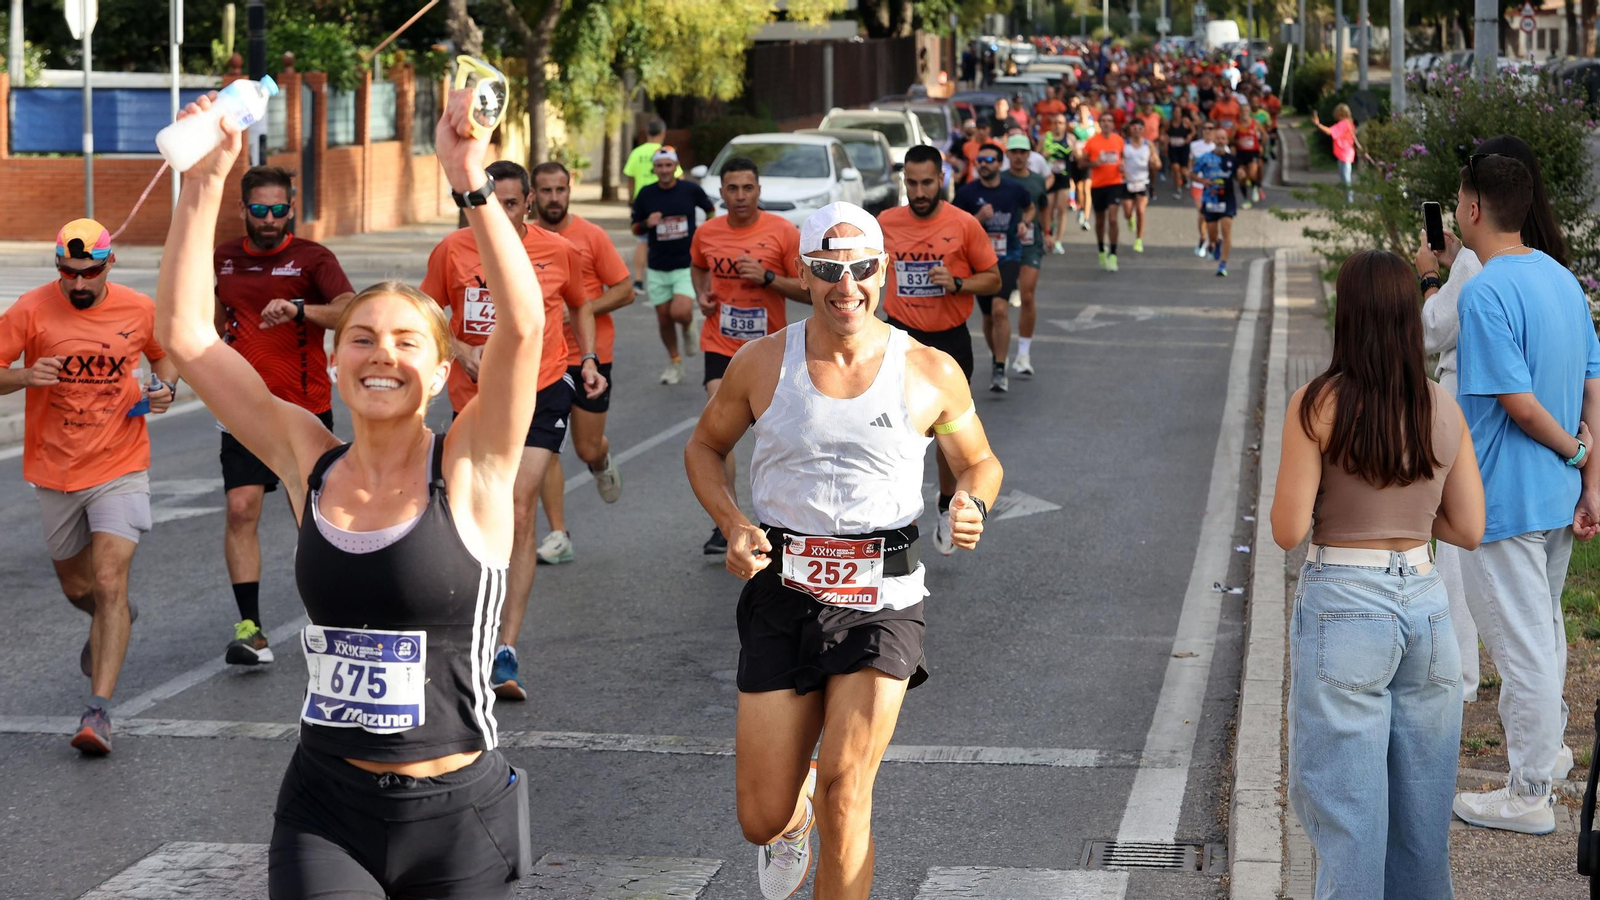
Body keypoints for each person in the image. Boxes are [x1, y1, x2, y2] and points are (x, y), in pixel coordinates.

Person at [159, 87, 537, 899]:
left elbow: (525, 329)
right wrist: (204, 184)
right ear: (335, 361)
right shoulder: (308, 458)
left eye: (406, 342)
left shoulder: (471, 467)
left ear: (440, 375)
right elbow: (187, 338)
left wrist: (468, 179)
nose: (380, 355)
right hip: (326, 805)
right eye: (360, 338)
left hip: (456, 815)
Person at [685, 201, 1003, 900]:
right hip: (782, 590)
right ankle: (788, 821)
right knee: (761, 814)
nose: (846, 285)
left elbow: (980, 462)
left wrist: (969, 502)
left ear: (882, 270)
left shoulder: (930, 370)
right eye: (829, 270)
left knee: (845, 791)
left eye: (861, 268)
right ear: (805, 273)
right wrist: (734, 520)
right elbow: (705, 447)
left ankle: (819, 813)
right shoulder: (762, 363)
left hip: (882, 599)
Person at [1273, 249, 1484, 899]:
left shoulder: (1317, 404)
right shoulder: (1442, 408)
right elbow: (1469, 528)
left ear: (1347, 314)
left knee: (1350, 823)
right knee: (1421, 830)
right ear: (1408, 316)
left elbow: (1287, 529)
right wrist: (1412, 513)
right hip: (1424, 603)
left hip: (1344, 603)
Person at [1447, 152, 1600, 835]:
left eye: (1458, 196)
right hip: (1560, 495)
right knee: (1543, 634)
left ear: (1474, 208)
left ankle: (1529, 790)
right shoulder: (1564, 280)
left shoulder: (1484, 292)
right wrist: (1590, 476)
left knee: (1522, 646)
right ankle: (1550, 757)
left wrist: (1577, 451)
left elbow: (1515, 401)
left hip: (1504, 496)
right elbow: (1593, 384)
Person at [421, 160, 606, 701]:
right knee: (466, 517)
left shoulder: (558, 250)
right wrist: (459, 349)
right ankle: (462, 630)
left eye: (508, 203)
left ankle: (504, 647)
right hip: (474, 399)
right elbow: (430, 312)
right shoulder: (451, 251)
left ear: (526, 203)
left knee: (519, 509)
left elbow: (581, 303)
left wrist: (588, 359)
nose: (498, 213)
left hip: (543, 388)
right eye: (487, 202)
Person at [0, 219, 178, 755]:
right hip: (54, 470)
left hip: (120, 465)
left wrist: (166, 387)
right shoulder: (30, 310)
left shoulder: (137, 308)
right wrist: (25, 377)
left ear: (109, 265)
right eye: (68, 273)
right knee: (80, 590)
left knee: (108, 581)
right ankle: (111, 617)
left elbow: (163, 353)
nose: (78, 284)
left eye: (89, 273)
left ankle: (97, 712)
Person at [1416, 135, 1569, 707]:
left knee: (1465, 557)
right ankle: (1546, 741)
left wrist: (1432, 278)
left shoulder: (1482, 279)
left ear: (1478, 206)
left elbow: (1436, 330)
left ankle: (1524, 768)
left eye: (1461, 196)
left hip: (1490, 433)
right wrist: (1580, 457)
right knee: (1542, 613)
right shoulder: (1552, 270)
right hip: (1554, 464)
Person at [213, 165, 355, 666]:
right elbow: (213, 322)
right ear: (243, 210)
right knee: (239, 509)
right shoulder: (224, 258)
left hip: (305, 408)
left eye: (278, 210)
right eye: (259, 210)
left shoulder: (312, 258)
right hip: (244, 410)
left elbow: (349, 309)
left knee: (310, 520)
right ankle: (250, 630)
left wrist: (300, 309)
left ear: (290, 208)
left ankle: (331, 620)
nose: (269, 219)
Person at [878, 145, 1001, 553]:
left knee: (946, 435)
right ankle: (887, 514)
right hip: (899, 337)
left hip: (949, 342)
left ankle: (947, 503)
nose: (919, 191)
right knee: (890, 429)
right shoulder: (885, 223)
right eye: (911, 183)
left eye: (927, 182)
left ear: (942, 178)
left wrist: (959, 283)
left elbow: (994, 279)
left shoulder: (964, 225)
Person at [689, 157, 807, 559]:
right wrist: (703, 295)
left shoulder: (782, 233)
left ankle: (790, 519)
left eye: (748, 188)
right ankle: (729, 522)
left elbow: (809, 290)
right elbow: (699, 266)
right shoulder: (707, 232)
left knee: (775, 436)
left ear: (759, 191)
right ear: (721, 193)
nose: (740, 196)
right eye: (733, 189)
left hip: (769, 350)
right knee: (718, 433)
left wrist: (769, 278)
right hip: (720, 344)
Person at [530, 160, 635, 566]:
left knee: (586, 446)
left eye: (560, 190)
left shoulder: (590, 236)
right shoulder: (523, 240)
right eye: (545, 191)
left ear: (569, 189)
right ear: (532, 196)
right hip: (542, 361)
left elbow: (625, 290)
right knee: (545, 447)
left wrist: (579, 309)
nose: (554, 198)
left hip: (590, 357)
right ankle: (559, 534)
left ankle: (602, 460)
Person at [632, 146, 715, 385]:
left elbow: (710, 210)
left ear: (675, 166)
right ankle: (675, 361)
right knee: (664, 319)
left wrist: (704, 233)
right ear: (654, 169)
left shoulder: (690, 190)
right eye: (660, 166)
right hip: (657, 266)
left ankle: (688, 326)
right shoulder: (646, 194)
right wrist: (648, 222)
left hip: (684, 264)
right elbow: (634, 227)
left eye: (669, 165)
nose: (664, 170)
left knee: (679, 312)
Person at [955, 140, 1033, 392]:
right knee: (988, 316)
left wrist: (1025, 224)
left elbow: (1029, 208)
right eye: (980, 160)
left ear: (1000, 163)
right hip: (978, 261)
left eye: (989, 160)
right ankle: (998, 355)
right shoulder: (967, 193)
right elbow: (953, 227)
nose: (983, 165)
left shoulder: (1014, 189)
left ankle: (1000, 367)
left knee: (1000, 309)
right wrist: (978, 219)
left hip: (1008, 256)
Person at [1002, 133, 1048, 378]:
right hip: (1003, 246)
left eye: (1023, 152)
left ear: (1028, 155)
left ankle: (1023, 354)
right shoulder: (999, 180)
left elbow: (1043, 207)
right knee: (999, 303)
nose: (1018, 156)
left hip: (1031, 243)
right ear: (1008, 155)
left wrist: (1048, 233)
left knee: (1028, 295)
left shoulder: (1038, 180)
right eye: (1014, 152)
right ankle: (1000, 355)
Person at [623, 119, 680, 290]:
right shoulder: (665, 152)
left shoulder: (636, 152)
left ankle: (639, 281)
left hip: (643, 202)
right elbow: (679, 177)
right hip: (666, 200)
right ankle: (670, 277)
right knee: (669, 237)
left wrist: (631, 200)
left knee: (642, 241)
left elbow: (630, 178)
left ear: (647, 133)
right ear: (662, 133)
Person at [1077, 110, 1125, 271]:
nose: (1106, 123)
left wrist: (1123, 166)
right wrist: (1093, 164)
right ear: (1099, 124)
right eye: (1103, 120)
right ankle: (1101, 249)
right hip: (1098, 185)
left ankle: (1113, 253)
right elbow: (1081, 164)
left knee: (1112, 218)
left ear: (1113, 124)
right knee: (1100, 221)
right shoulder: (1092, 142)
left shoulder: (1119, 140)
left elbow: (1123, 157)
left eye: (1109, 120)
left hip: (1115, 183)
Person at [1192, 126, 1238, 277]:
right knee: (1212, 234)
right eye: (1217, 138)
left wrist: (1243, 176)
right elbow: (1191, 173)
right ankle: (1216, 243)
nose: (1220, 141)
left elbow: (1239, 176)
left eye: (1223, 138)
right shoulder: (1205, 157)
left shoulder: (1231, 159)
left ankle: (1223, 264)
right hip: (1210, 199)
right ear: (1213, 139)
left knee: (1227, 230)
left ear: (1227, 141)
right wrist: (1202, 180)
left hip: (1227, 200)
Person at [1119, 118, 1158, 254]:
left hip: (1143, 182)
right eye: (1134, 128)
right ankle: (1130, 218)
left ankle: (1138, 240)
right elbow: (1119, 160)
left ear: (1143, 130)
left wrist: (1154, 163)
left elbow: (1157, 162)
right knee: (1127, 212)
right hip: (1127, 182)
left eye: (1140, 128)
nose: (1137, 130)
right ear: (1130, 129)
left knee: (1141, 210)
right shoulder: (1124, 144)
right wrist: (1121, 168)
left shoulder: (1149, 145)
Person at [1041, 113, 1077, 255]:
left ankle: (1058, 241)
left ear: (1065, 125)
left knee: (1062, 210)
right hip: (1048, 178)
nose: (1058, 125)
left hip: (1063, 177)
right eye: (1055, 122)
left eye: (1061, 123)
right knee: (1048, 209)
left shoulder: (1070, 138)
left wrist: (1076, 151)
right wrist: (1044, 154)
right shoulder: (1045, 138)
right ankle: (1048, 235)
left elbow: (1078, 156)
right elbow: (1036, 155)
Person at [1313, 105, 1362, 204]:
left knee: (1346, 178)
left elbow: (1330, 132)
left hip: (1345, 154)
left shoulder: (1343, 124)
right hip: (1345, 154)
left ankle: (1349, 201)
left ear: (1341, 113)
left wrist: (1318, 124)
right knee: (1344, 177)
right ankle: (1347, 199)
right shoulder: (1348, 122)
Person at [1232, 105, 1265, 208]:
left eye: (1247, 110)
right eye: (1243, 111)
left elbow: (1264, 135)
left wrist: (1261, 145)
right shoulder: (1236, 125)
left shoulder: (1256, 124)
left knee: (1252, 173)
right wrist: (1237, 141)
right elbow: (1230, 139)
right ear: (1240, 113)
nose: (1245, 113)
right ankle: (1246, 199)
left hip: (1253, 152)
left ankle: (1255, 187)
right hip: (1241, 153)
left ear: (1249, 112)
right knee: (1241, 177)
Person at [1166, 105, 1195, 201]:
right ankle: (1178, 189)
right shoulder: (1169, 123)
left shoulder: (1185, 121)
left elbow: (1193, 131)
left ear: (1181, 113)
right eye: (1175, 112)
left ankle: (1187, 179)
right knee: (1175, 168)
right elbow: (1163, 132)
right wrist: (1165, 138)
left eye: (1178, 112)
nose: (1176, 114)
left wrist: (1190, 136)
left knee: (1183, 169)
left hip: (1183, 147)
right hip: (1173, 148)